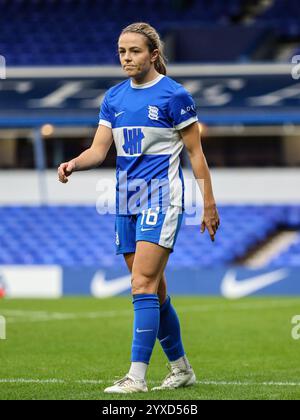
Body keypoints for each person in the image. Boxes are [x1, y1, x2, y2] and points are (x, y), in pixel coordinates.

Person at [58, 22, 220, 394]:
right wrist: (73, 164)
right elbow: (99, 151)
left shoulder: (174, 96)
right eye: (122, 51)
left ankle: (136, 377)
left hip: (162, 198)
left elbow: (196, 154)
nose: (127, 58)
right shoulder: (114, 98)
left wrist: (208, 203)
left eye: (134, 51)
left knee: (141, 284)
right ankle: (181, 369)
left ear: (153, 55)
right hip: (124, 200)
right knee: (155, 291)